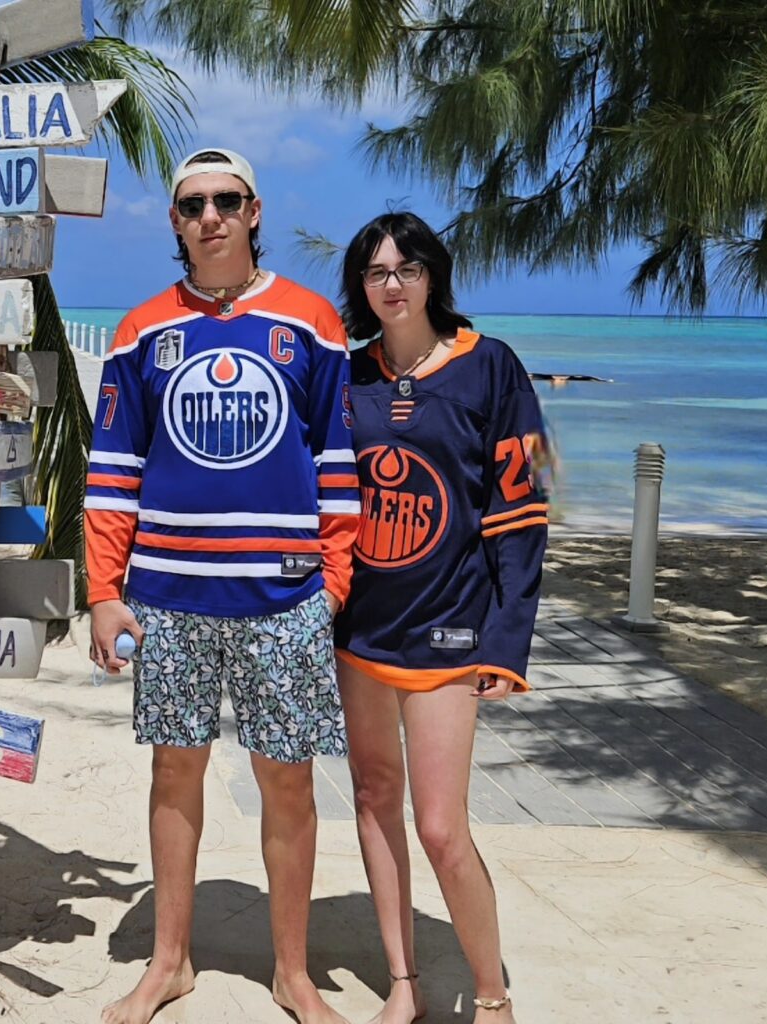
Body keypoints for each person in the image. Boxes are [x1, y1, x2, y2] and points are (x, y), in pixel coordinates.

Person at [88, 148, 359, 1024]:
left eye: (226, 201)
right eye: (192, 204)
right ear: (174, 222)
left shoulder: (312, 322)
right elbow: (114, 470)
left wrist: (335, 581)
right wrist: (103, 590)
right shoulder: (139, 333)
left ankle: (292, 972)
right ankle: (169, 961)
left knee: (288, 781)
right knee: (176, 775)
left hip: (284, 596)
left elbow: (339, 464)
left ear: (252, 212)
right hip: (167, 596)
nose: (209, 216)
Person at [333, 212, 547, 1024]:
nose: (392, 283)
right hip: (360, 631)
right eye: (377, 271)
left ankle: (491, 995)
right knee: (371, 797)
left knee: (439, 826)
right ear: (361, 285)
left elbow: (522, 512)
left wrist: (507, 638)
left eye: (407, 268)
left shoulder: (491, 366)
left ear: (432, 276)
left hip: (451, 630)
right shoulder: (348, 377)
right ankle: (404, 981)